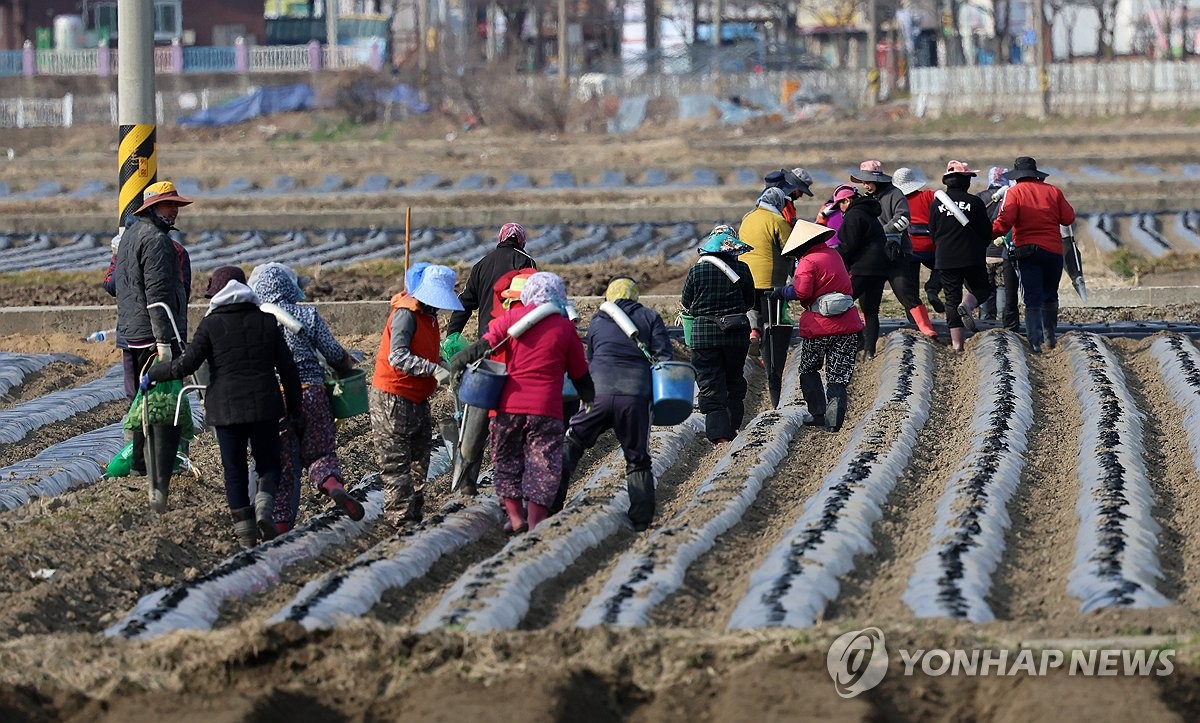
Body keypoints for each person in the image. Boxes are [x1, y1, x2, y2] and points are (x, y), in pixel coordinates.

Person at [142, 274, 301, 547]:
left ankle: (246, 537)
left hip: (226, 410)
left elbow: (185, 366)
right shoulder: (266, 322)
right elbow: (288, 369)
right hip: (264, 405)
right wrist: (295, 410)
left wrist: (153, 374)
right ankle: (264, 507)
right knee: (269, 463)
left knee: (234, 470)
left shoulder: (211, 324)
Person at [450, 272, 593, 533]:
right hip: (545, 410)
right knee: (543, 463)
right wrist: (589, 397)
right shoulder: (564, 328)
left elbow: (486, 344)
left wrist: (461, 359)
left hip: (508, 407)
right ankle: (537, 520)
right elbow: (579, 371)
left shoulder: (512, 318)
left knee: (506, 459)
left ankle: (515, 517)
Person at [250, 263, 363, 531]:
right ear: (290, 288)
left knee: (283, 466)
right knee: (320, 451)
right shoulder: (306, 316)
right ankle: (332, 484)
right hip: (310, 393)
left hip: (273, 399)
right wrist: (347, 365)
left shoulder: (255, 322)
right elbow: (335, 355)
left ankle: (279, 528)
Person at [559, 276, 672, 530]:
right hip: (634, 396)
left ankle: (552, 501)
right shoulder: (650, 317)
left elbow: (591, 355)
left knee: (573, 440)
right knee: (637, 457)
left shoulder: (599, 320)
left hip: (598, 393)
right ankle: (641, 519)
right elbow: (664, 357)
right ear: (635, 296)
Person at [112, 180, 194, 512]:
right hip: (151, 332)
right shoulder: (158, 243)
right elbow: (158, 297)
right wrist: (164, 342)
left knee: (140, 398)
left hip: (130, 330)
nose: (173, 211)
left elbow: (119, 285)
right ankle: (154, 469)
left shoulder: (130, 236)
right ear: (153, 208)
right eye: (168, 206)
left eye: (175, 206)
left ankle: (140, 462)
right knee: (159, 403)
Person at [370, 265, 461, 526]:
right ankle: (400, 522)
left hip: (418, 399)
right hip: (393, 398)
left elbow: (427, 350)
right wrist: (432, 369)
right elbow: (397, 357)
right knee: (397, 465)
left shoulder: (429, 317)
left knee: (420, 462)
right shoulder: (405, 315)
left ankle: (415, 517)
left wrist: (442, 363)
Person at [769, 221, 864, 432]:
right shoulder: (834, 255)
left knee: (809, 368)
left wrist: (783, 292)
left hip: (819, 325)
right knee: (838, 373)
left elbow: (801, 291)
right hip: (846, 323)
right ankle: (835, 414)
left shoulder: (807, 262)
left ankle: (819, 413)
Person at [992, 157, 1076, 352]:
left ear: (1017, 175)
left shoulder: (1014, 192)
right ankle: (1050, 338)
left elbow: (1005, 221)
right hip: (1054, 251)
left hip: (1027, 250)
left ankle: (1035, 342)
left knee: (1032, 296)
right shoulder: (1053, 191)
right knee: (1050, 294)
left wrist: (988, 233)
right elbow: (1068, 218)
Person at [681, 225, 756, 443]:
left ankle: (717, 433)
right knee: (734, 377)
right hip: (736, 334)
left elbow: (687, 302)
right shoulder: (742, 269)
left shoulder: (698, 270)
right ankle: (733, 427)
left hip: (704, 336)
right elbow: (750, 301)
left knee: (710, 381)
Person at [850, 161, 939, 341]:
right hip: (870, 257)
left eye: (868, 182)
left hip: (895, 254)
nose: (865, 185)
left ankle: (927, 329)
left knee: (907, 293)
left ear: (877, 180)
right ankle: (859, 332)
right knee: (857, 295)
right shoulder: (863, 199)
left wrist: (880, 234)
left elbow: (903, 219)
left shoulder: (895, 194)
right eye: (863, 182)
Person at [929, 161, 994, 351]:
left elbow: (932, 232)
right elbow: (985, 231)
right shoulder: (975, 203)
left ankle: (957, 344)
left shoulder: (936, 204)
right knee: (982, 288)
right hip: (971, 256)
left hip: (945, 257)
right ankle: (967, 304)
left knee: (951, 298)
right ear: (965, 182)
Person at [444, 222, 536, 346]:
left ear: (501, 238)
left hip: (486, 336)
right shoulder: (525, 261)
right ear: (522, 240)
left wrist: (451, 335)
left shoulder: (481, 265)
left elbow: (465, 303)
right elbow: (531, 299)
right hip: (514, 335)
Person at [738, 186, 794, 356]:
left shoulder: (747, 218)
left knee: (753, 310)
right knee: (771, 318)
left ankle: (753, 333)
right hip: (770, 279)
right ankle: (769, 353)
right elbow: (789, 248)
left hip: (746, 276)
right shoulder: (777, 221)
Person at [892, 167, 944, 313]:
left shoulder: (896, 201)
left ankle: (914, 315)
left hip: (909, 247)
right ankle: (932, 288)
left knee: (911, 285)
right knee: (943, 268)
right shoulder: (928, 195)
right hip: (931, 246)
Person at [978, 167, 1018, 329]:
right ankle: (1002, 324)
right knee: (1003, 288)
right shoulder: (1010, 197)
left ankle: (985, 324)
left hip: (984, 253)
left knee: (985, 289)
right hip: (1003, 252)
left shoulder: (980, 198)